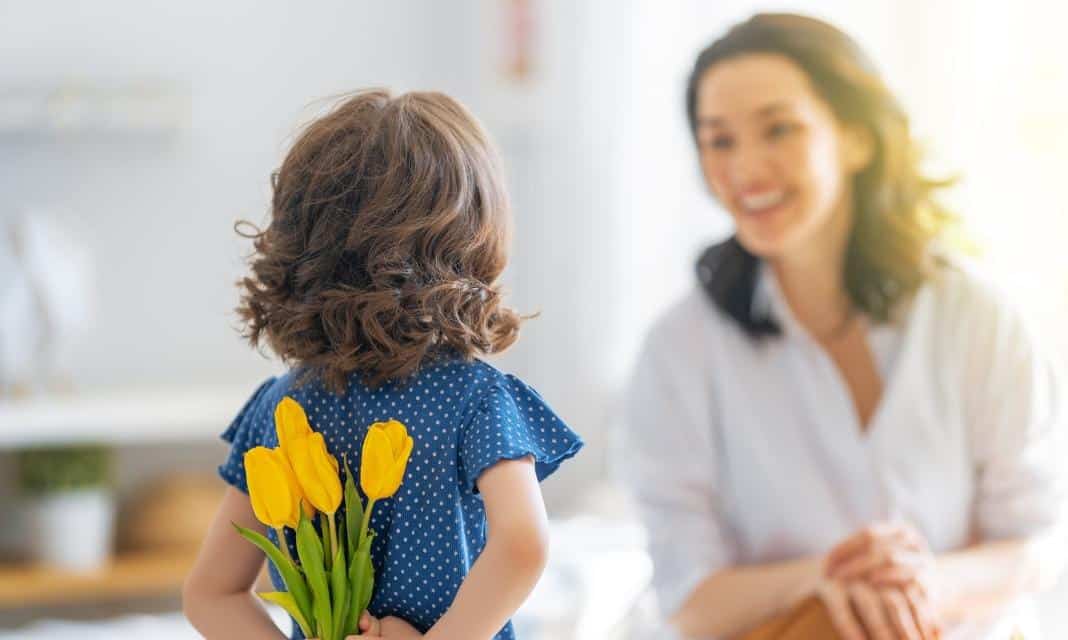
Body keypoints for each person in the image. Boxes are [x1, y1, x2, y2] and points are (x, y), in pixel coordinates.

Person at [619, 13, 1066, 640]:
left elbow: (1035, 544)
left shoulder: (976, 319)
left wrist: (926, 584)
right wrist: (825, 577)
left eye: (779, 129)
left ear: (857, 138)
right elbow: (688, 598)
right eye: (720, 140)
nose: (746, 168)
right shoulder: (679, 349)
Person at [183, 89, 583, 640]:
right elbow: (524, 545)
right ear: (475, 239)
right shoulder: (474, 400)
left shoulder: (283, 407)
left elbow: (210, 593)